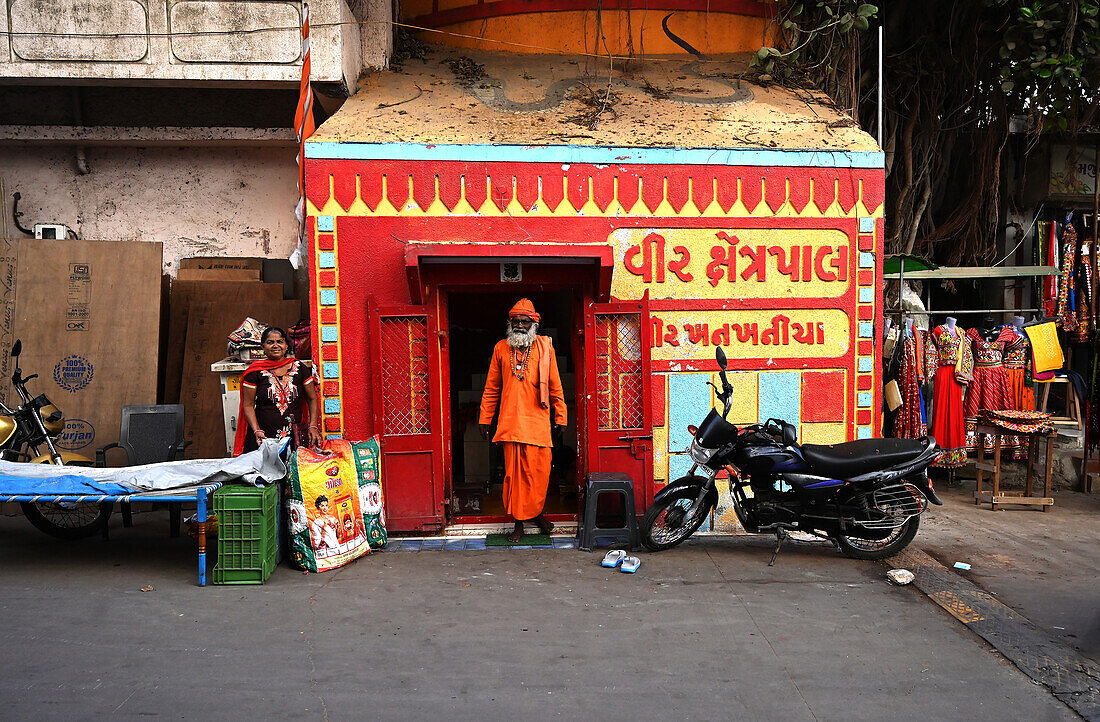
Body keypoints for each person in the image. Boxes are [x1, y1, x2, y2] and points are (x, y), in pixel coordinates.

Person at [479, 299, 567, 543]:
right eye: (515, 321)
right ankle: (519, 524)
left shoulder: (545, 348)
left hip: (538, 423)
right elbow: (491, 387)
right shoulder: (500, 348)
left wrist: (560, 416)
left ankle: (536, 514)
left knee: (539, 477)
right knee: (515, 478)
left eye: (524, 321)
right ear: (510, 323)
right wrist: (485, 418)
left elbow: (555, 385)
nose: (519, 324)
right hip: (510, 423)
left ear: (534, 323)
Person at [232, 326, 323, 456]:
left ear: (286, 345)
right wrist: (256, 430)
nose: (275, 346)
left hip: (295, 436)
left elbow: (312, 399)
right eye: (270, 342)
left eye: (280, 341)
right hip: (265, 438)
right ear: (263, 347)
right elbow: (248, 405)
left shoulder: (299, 368)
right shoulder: (255, 372)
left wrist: (313, 426)